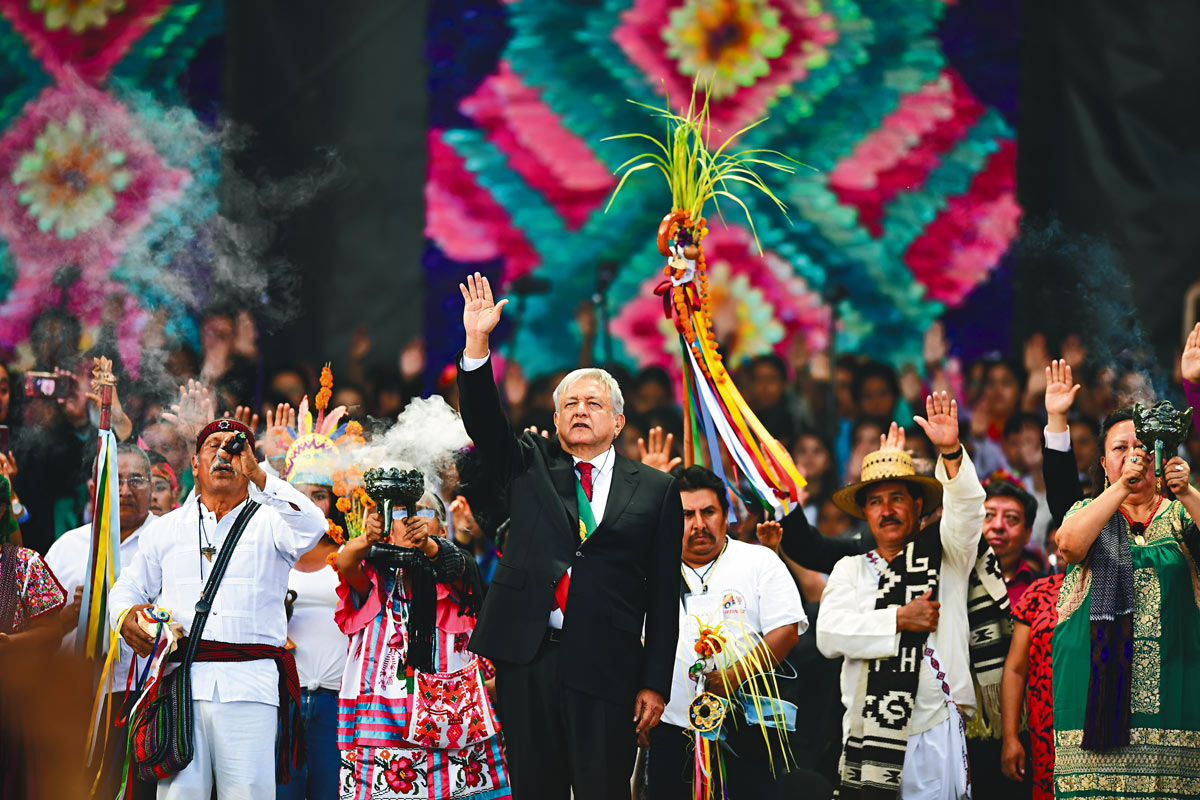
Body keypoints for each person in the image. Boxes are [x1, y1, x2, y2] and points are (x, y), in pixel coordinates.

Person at [456, 273, 683, 800]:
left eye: (594, 403)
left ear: (619, 419)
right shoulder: (527, 463)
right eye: (571, 404)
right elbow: (485, 423)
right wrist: (477, 343)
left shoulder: (655, 489)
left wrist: (654, 682)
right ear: (555, 419)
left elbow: (662, 597)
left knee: (603, 789)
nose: (581, 410)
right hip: (529, 660)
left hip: (608, 665)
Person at [109, 418, 327, 799]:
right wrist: (126, 616)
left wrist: (260, 475)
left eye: (235, 447)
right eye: (214, 446)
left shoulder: (274, 521)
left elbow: (314, 524)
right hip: (180, 688)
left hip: (250, 687)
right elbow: (128, 586)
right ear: (194, 464)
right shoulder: (165, 527)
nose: (225, 453)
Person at [817, 393, 992, 800]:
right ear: (865, 515)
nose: (887, 510)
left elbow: (967, 511)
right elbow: (828, 637)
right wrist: (898, 619)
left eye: (897, 498)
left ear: (918, 506)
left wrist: (950, 451)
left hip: (936, 729)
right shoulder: (851, 569)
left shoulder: (948, 554)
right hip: (867, 734)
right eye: (875, 502)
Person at [1051, 403, 1200, 799]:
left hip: (1173, 707)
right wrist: (1121, 488)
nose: (1135, 455)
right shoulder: (1087, 512)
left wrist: (1186, 491)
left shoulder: (1182, 515)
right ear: (1104, 462)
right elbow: (1069, 545)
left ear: (1162, 456)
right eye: (1121, 448)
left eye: (1144, 447)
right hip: (1092, 717)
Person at [334, 488, 511, 799]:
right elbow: (346, 563)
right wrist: (366, 539)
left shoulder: (460, 577)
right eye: (400, 515)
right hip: (385, 731)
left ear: (443, 530)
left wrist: (428, 546)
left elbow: (456, 566)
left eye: (422, 513)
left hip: (456, 728)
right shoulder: (375, 582)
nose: (410, 521)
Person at [645, 464, 806, 800]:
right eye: (686, 515)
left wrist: (735, 676)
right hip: (672, 726)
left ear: (726, 514)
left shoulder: (758, 561)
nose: (699, 524)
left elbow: (787, 630)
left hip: (747, 727)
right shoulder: (649, 571)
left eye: (708, 512)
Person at [46, 443, 158, 798]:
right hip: (76, 697)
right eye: (115, 480)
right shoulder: (67, 547)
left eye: (136, 480)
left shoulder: (169, 540)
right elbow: (37, 632)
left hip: (144, 702)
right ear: (94, 488)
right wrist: (72, 615)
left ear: (153, 487)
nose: (124, 491)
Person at [277, 401, 351, 800]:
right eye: (297, 493)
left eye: (319, 494)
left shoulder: (351, 555)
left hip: (338, 702)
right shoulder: (268, 550)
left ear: (334, 499)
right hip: (279, 701)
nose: (307, 505)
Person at [1000, 573, 1064, 800]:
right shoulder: (1040, 592)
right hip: (1047, 733)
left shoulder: (1124, 585)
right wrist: (1010, 736)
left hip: (1103, 727)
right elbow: (1016, 669)